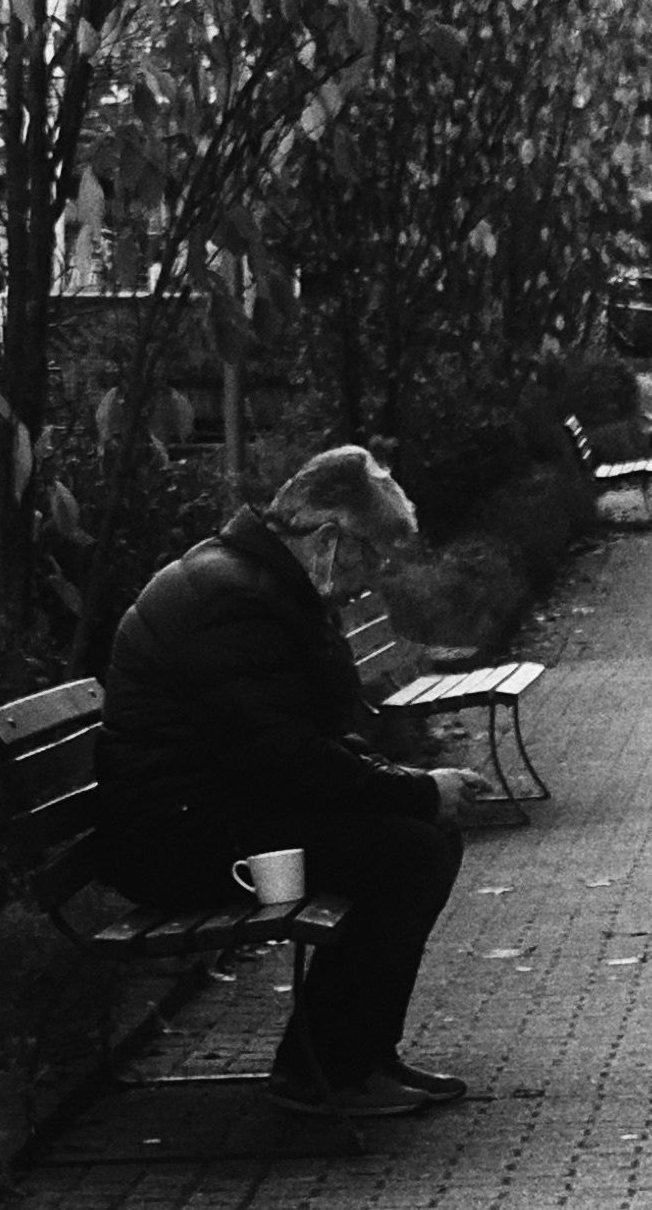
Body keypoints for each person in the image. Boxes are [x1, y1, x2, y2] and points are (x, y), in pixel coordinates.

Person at [95, 445, 489, 1118]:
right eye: (372, 556)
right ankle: (326, 1072)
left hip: (210, 815)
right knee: (410, 851)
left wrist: (406, 785)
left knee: (420, 840)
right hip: (179, 840)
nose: (373, 579)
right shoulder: (235, 600)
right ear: (329, 537)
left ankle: (357, 1055)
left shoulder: (257, 584)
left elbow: (297, 745)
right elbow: (282, 756)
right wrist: (415, 790)